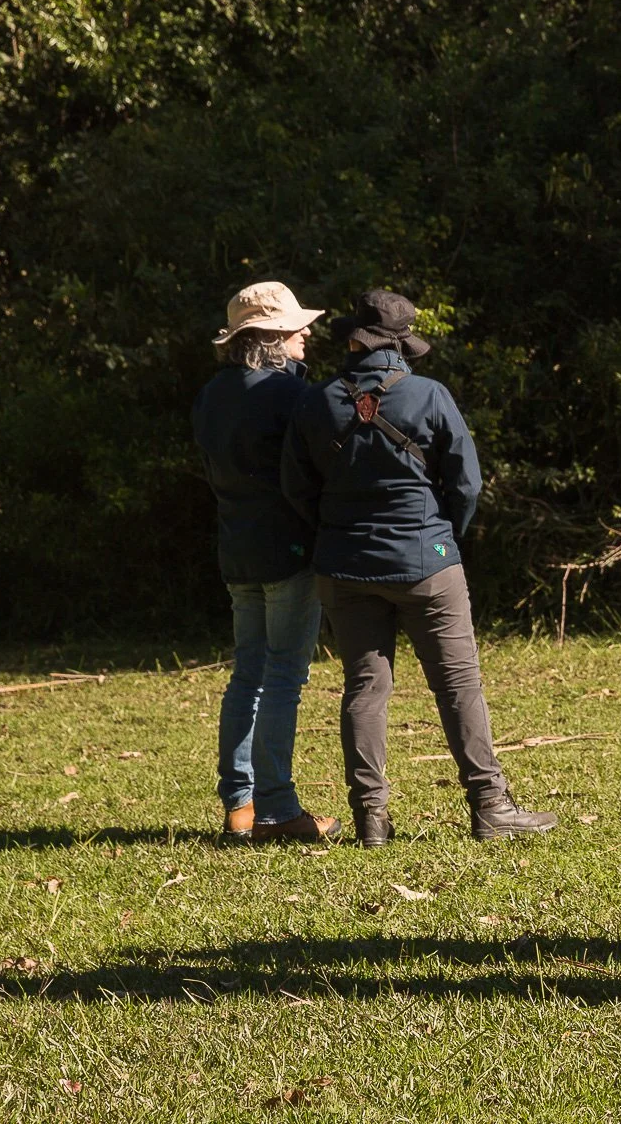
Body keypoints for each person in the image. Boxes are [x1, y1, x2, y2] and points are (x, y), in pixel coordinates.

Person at [281, 289, 555, 848]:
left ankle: (371, 819)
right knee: (458, 684)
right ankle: (490, 806)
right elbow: (466, 483)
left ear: (355, 339)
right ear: (401, 344)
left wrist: (336, 533)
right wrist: (443, 536)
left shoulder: (315, 401)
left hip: (344, 566)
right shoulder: (429, 395)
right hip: (427, 562)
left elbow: (295, 487)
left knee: (365, 687)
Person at [191, 281, 343, 843]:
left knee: (249, 674)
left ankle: (241, 805)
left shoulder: (212, 395)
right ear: (272, 337)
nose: (307, 333)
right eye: (297, 327)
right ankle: (277, 810)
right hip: (288, 553)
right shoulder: (290, 395)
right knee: (283, 676)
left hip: (237, 552)